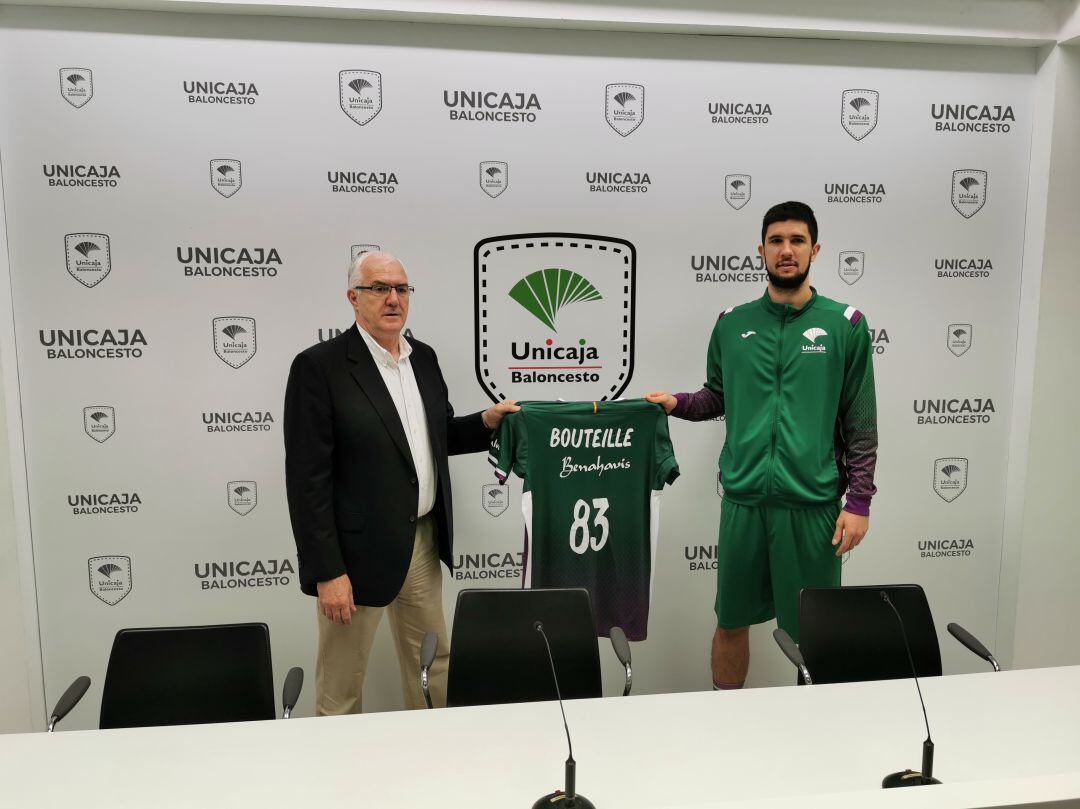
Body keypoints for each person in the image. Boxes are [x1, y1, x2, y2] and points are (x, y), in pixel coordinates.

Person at [646, 201, 877, 689]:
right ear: (761, 250)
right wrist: (677, 403)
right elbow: (718, 397)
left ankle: (812, 735)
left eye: (796, 241)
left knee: (813, 635)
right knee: (730, 624)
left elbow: (860, 422)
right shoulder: (732, 322)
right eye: (776, 241)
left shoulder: (846, 324)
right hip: (744, 504)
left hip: (812, 506)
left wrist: (858, 501)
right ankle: (727, 724)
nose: (786, 251)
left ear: (815, 249)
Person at [284, 251, 518, 713]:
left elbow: (438, 437)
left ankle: (434, 766)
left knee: (433, 666)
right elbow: (307, 480)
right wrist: (328, 572)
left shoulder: (423, 359)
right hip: (353, 557)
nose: (393, 298)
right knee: (342, 683)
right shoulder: (320, 367)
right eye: (379, 288)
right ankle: (337, 776)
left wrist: (486, 421)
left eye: (401, 289)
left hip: (422, 542)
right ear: (353, 298)